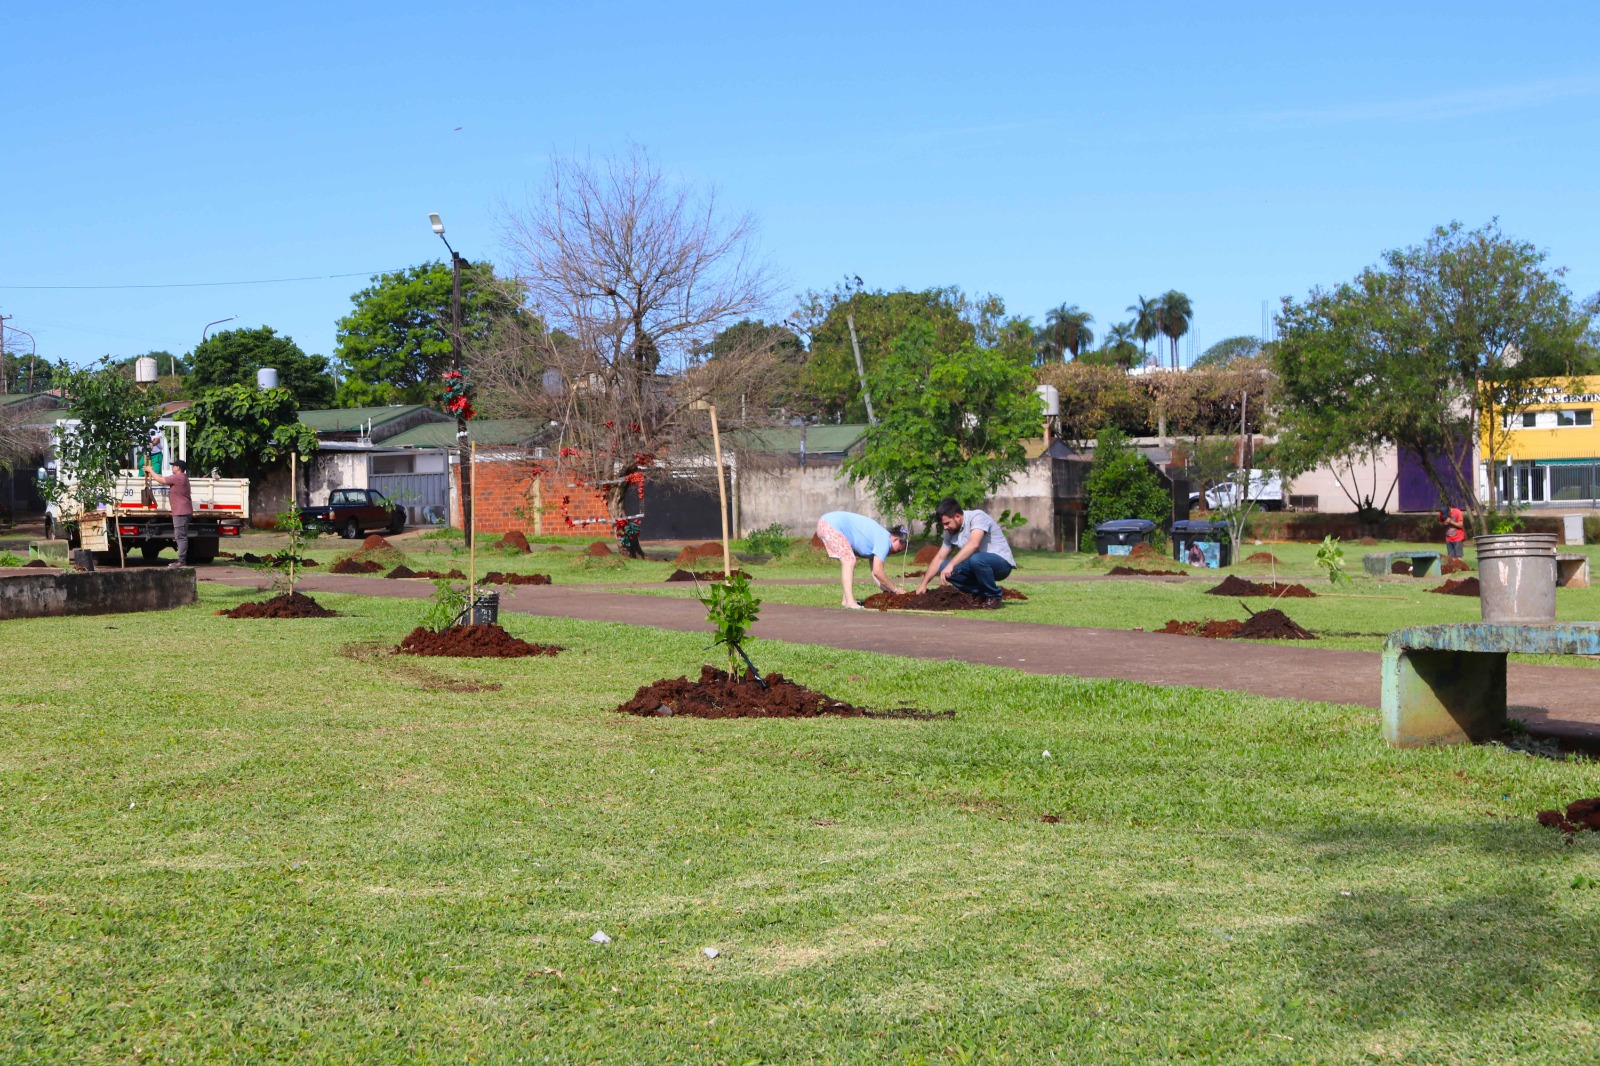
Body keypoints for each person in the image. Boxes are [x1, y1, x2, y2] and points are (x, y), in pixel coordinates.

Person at [916, 497, 1015, 608]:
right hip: (977, 565)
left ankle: (993, 596)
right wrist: (923, 584)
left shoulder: (977, 517)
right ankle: (979, 593)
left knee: (975, 559)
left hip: (1001, 565)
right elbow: (939, 558)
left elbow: (974, 544)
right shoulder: (950, 531)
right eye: (943, 525)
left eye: (947, 523)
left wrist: (951, 564)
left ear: (957, 517)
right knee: (943, 566)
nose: (945, 527)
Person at [815, 511, 909, 609]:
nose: (897, 552)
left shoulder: (880, 540)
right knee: (849, 560)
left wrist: (889, 591)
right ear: (895, 539)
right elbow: (878, 571)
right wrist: (895, 589)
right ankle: (850, 602)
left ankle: (846, 600)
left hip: (826, 523)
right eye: (899, 549)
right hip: (830, 525)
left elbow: (875, 573)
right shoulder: (885, 540)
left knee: (849, 560)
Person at [144, 458, 192, 567]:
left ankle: (181, 561)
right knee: (181, 536)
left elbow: (160, 480)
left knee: (180, 537)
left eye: (173, 466)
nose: (172, 467)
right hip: (183, 511)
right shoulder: (183, 477)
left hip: (181, 512)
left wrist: (150, 470)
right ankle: (181, 560)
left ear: (178, 468)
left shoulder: (178, 477)